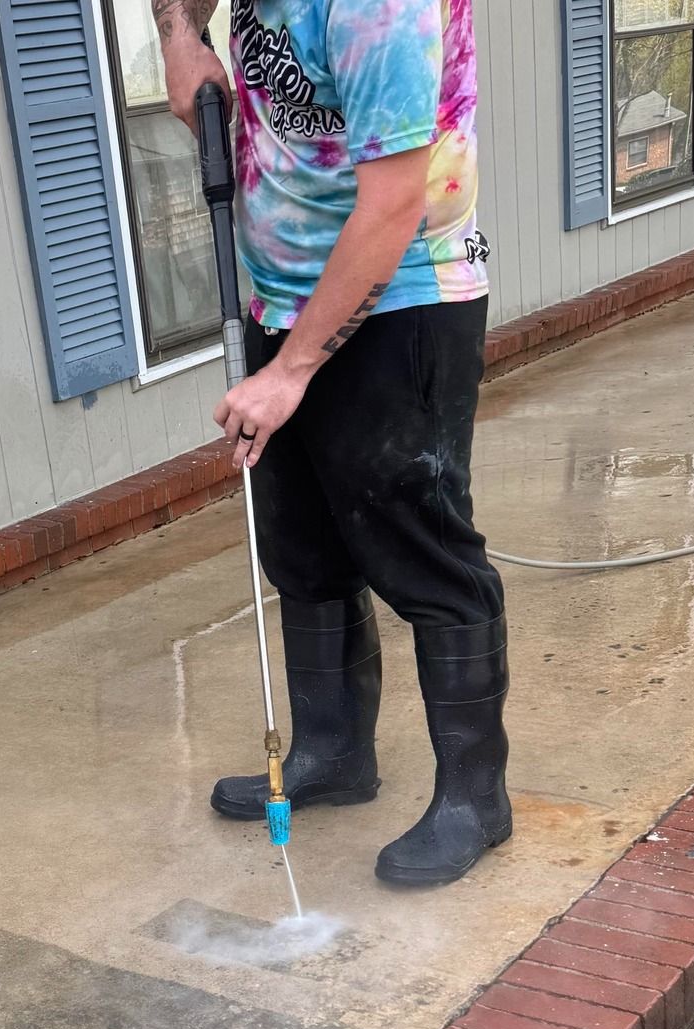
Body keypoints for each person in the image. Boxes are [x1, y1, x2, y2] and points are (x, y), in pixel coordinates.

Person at [151, 0, 507, 887]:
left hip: (403, 298)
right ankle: (334, 751)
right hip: (283, 295)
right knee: (303, 547)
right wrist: (179, 38)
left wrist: (291, 371)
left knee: (425, 556)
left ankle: (475, 798)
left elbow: (393, 208)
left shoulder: (378, 9)